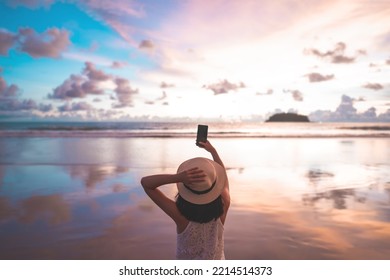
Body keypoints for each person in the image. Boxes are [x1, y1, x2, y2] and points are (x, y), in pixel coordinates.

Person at [140, 140, 230, 260]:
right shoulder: (224, 205)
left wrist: (177, 177)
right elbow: (224, 180)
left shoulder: (180, 216)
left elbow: (146, 183)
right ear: (215, 185)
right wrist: (213, 151)